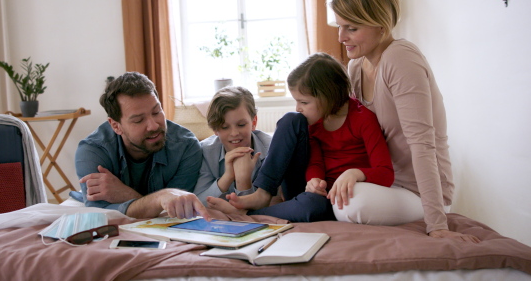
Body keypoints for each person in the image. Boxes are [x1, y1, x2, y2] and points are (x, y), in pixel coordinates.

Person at [330, 0, 479, 243]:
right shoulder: (356, 67)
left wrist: (437, 225)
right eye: (339, 26)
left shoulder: (400, 59)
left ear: (381, 24)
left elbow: (422, 145)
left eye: (351, 28)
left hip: (416, 190)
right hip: (383, 180)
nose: (341, 37)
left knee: (351, 203)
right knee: (337, 190)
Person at [208, 53, 394, 222]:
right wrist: (315, 180)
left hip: (332, 199)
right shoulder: (313, 122)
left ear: (327, 97)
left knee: (311, 207)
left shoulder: (364, 119)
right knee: (291, 119)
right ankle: (263, 193)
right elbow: (315, 162)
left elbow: (386, 172)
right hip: (310, 189)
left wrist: (355, 173)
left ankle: (247, 215)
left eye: (304, 102)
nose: (298, 107)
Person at [75, 72, 210, 220]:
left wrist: (125, 194)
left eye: (157, 112)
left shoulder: (186, 147)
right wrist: (160, 199)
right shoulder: (92, 151)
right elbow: (101, 215)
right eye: (139, 120)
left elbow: (174, 212)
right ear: (116, 126)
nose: (153, 125)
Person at [193, 86, 272, 206]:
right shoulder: (205, 151)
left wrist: (243, 179)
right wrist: (228, 176)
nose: (234, 133)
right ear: (215, 129)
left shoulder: (271, 149)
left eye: (241, 125)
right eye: (225, 127)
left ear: (254, 122)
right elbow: (198, 203)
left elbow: (271, 203)